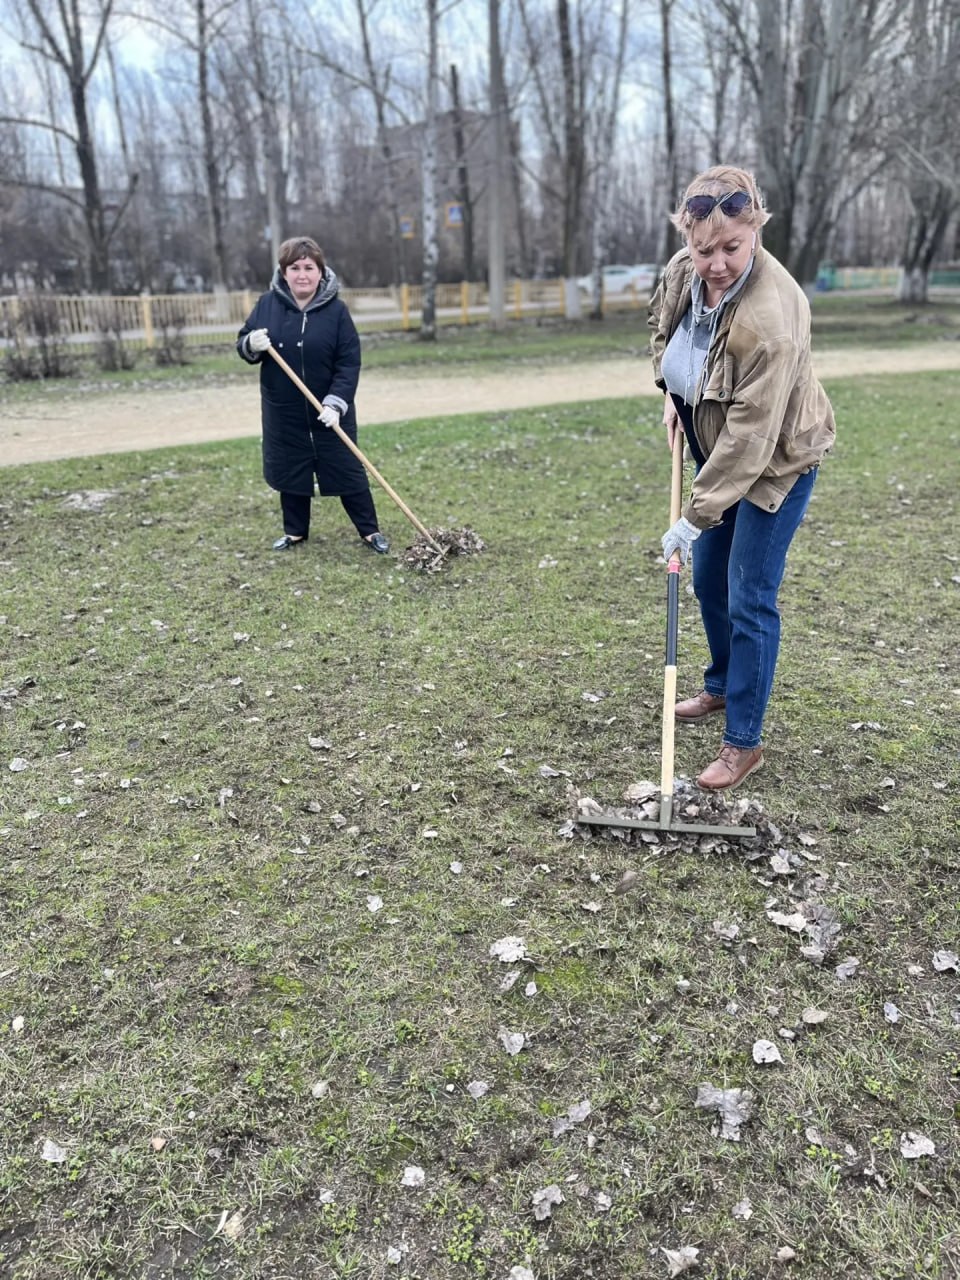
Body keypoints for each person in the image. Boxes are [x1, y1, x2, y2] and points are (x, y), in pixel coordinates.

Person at [649, 164, 835, 790]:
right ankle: (723, 686)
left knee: (749, 594)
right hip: (715, 444)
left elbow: (752, 441)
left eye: (733, 246)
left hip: (775, 462)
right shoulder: (684, 270)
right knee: (708, 578)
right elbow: (665, 332)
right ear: (687, 235)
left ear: (756, 227)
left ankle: (743, 742)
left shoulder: (771, 321)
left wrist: (692, 515)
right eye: (705, 249)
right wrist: (673, 395)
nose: (717, 263)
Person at [237, 235, 389, 554]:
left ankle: (370, 530)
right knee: (291, 470)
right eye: (295, 267)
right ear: (284, 272)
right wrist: (250, 344)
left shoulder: (336, 312)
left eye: (309, 267)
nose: (302, 274)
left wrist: (337, 402)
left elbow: (349, 361)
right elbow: (243, 342)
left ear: (321, 272)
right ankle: (295, 531)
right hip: (285, 411)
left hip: (329, 410)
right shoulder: (267, 304)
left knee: (348, 469)